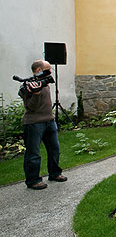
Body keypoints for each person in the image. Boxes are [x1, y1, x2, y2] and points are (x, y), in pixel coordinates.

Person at [19, 60, 67, 190]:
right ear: (39, 70)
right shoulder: (28, 86)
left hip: (49, 121)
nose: (50, 71)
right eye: (47, 69)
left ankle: (55, 173)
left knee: (54, 149)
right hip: (33, 123)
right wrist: (35, 94)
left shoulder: (44, 82)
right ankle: (33, 180)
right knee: (33, 153)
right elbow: (31, 108)